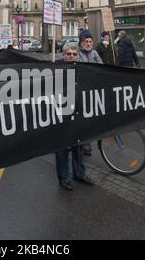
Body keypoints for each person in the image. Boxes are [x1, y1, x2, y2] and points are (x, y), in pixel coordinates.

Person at [55, 44, 94, 191]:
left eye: (74, 54)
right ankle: (64, 178)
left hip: (77, 113)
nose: (71, 56)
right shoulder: (55, 70)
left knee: (78, 146)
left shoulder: (81, 69)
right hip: (62, 114)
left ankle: (79, 173)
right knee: (63, 148)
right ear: (63, 55)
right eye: (68, 53)